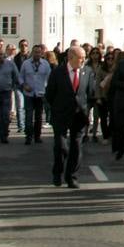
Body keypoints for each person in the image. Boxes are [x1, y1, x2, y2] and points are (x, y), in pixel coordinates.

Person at [44, 46, 94, 187]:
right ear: (70, 57)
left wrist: (86, 109)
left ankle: (72, 176)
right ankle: (57, 173)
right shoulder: (58, 72)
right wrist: (58, 106)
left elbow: (90, 93)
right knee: (61, 146)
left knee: (76, 146)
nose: (83, 60)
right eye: (80, 57)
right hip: (61, 114)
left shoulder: (87, 72)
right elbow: (50, 94)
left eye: (84, 57)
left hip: (79, 115)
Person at [19, 45, 51, 145]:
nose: (37, 54)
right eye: (35, 52)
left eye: (39, 52)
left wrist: (46, 87)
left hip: (40, 93)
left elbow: (49, 77)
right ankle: (28, 136)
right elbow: (20, 77)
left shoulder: (45, 64)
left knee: (38, 116)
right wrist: (24, 85)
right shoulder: (26, 63)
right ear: (32, 52)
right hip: (29, 93)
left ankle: (37, 136)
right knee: (28, 115)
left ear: (41, 53)